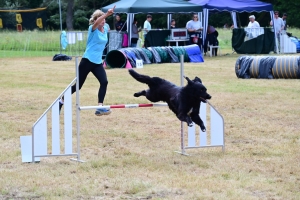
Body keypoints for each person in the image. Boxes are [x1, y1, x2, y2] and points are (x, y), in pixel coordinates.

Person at [59, 6, 116, 116]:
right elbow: (98, 21)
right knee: (78, 86)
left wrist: (106, 18)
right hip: (87, 60)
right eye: (101, 19)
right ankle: (61, 101)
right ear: (95, 21)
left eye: (104, 20)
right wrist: (106, 14)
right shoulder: (92, 29)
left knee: (104, 82)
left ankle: (100, 107)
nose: (103, 21)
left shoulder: (105, 27)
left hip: (97, 62)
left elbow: (105, 24)